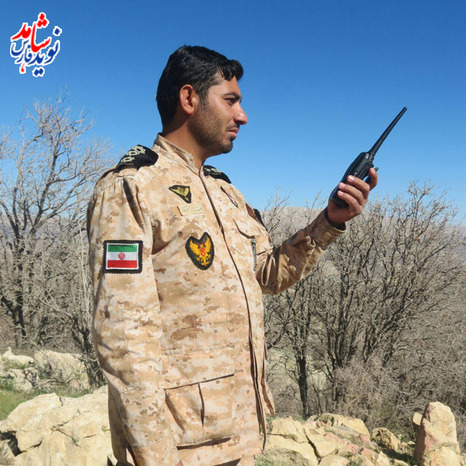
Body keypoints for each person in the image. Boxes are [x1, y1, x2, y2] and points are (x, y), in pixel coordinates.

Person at [87, 45, 378, 466]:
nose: (242, 116)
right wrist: (155, 455)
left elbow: (268, 274)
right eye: (231, 100)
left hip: (236, 436)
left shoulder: (225, 192)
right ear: (189, 98)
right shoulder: (131, 188)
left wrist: (330, 220)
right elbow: (123, 337)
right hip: (179, 449)